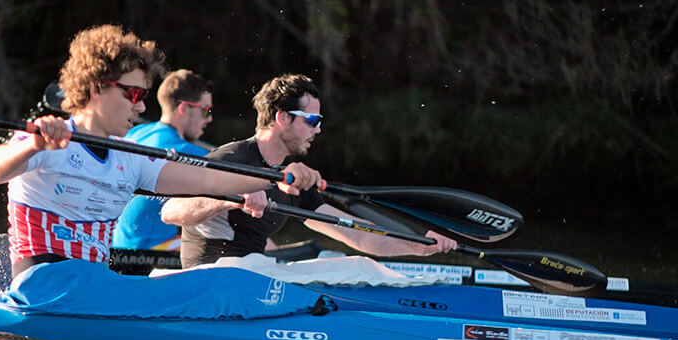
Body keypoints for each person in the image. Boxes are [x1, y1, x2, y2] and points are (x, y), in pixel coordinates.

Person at [0, 25, 320, 277]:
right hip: (39, 285)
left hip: (94, 286)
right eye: (133, 95)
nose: (140, 108)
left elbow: (207, 179)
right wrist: (33, 143)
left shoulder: (131, 157)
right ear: (96, 88)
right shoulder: (50, 140)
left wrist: (276, 178)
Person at [161, 74, 457, 267]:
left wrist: (420, 245)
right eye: (312, 119)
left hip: (249, 279)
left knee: (351, 263)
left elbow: (357, 235)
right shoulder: (233, 157)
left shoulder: (295, 179)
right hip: (208, 280)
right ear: (282, 118)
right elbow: (171, 211)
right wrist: (231, 197)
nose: (318, 129)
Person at [111, 69, 214, 251]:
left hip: (114, 245)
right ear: (183, 109)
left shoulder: (136, 132)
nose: (209, 119)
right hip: (146, 249)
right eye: (205, 111)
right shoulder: (181, 151)